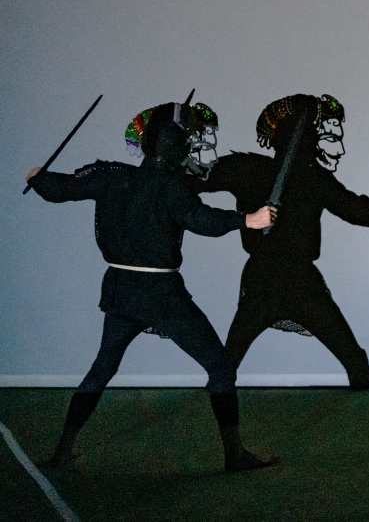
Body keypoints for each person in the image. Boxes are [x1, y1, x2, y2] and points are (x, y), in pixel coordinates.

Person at [27, 100, 278, 472]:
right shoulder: (173, 187)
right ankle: (234, 456)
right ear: (174, 147)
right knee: (221, 368)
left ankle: (62, 450)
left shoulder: (112, 175)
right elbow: (200, 219)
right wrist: (248, 220)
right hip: (160, 295)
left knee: (102, 367)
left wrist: (37, 177)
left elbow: (58, 188)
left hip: (120, 288)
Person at [195, 94, 369, 389]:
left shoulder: (256, 171)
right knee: (350, 359)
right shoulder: (277, 173)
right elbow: (358, 210)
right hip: (283, 280)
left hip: (284, 280)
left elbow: (358, 210)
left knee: (229, 361)